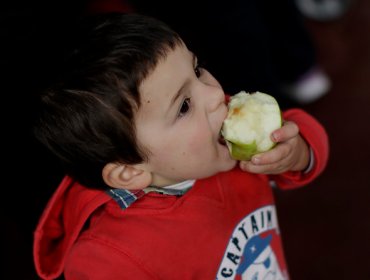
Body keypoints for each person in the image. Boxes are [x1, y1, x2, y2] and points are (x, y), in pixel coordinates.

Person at [32, 13, 329, 279]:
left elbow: (299, 137)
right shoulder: (111, 259)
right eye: (184, 105)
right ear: (130, 172)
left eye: (197, 70)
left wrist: (297, 152)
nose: (215, 95)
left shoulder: (220, 141)